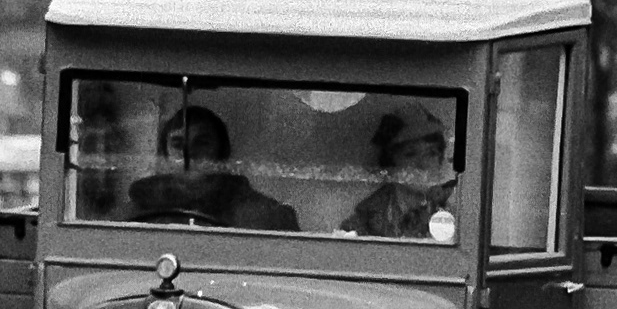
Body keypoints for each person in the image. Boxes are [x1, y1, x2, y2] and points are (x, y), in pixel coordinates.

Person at [127, 105, 299, 231]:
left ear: (222, 152)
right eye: (178, 145)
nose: (189, 154)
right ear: (165, 154)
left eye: (201, 143)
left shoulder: (262, 217)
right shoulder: (137, 211)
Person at [340, 103, 456, 238]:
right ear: (391, 162)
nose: (423, 164)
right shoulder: (362, 222)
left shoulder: (455, 214)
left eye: (431, 153)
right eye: (410, 154)